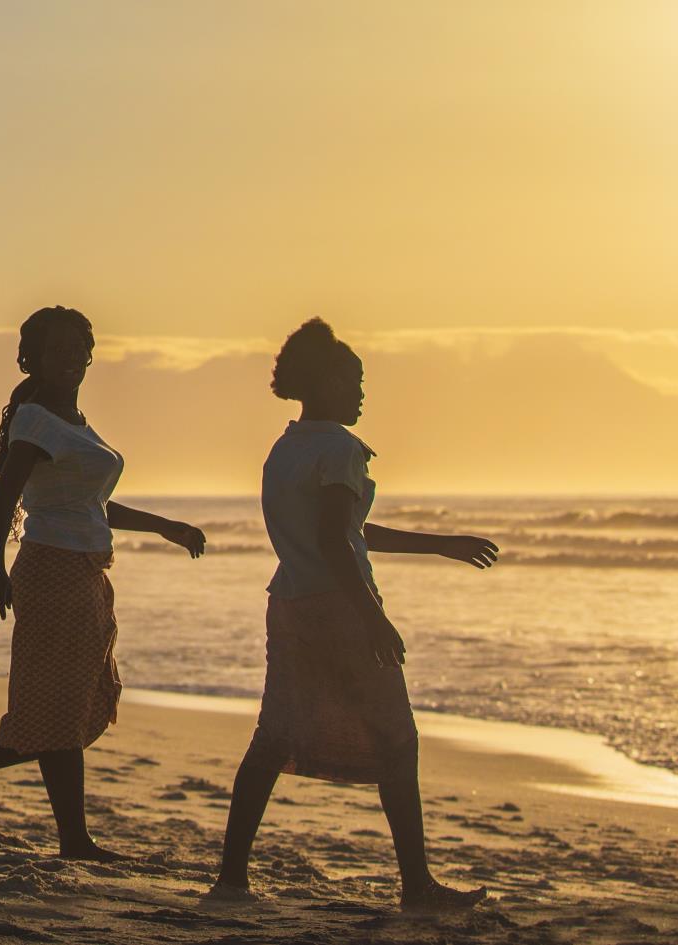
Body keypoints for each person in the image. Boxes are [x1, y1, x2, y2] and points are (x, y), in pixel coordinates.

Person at [210, 317, 498, 913]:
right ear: (327, 381)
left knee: (271, 738)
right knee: (397, 739)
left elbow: (343, 532)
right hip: (339, 607)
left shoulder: (287, 447)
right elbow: (340, 544)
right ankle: (417, 887)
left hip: (289, 602)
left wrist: (441, 544)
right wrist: (373, 618)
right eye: (355, 379)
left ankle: (230, 880)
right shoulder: (340, 448)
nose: (363, 392)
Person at [0, 305, 207, 861]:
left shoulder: (75, 423)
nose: (72, 357)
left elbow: (91, 502)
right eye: (58, 349)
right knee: (52, 707)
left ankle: (41, 819)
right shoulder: (35, 421)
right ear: (33, 358)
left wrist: (165, 525)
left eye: (79, 347)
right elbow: (6, 500)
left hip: (87, 571)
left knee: (64, 705)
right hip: (51, 569)